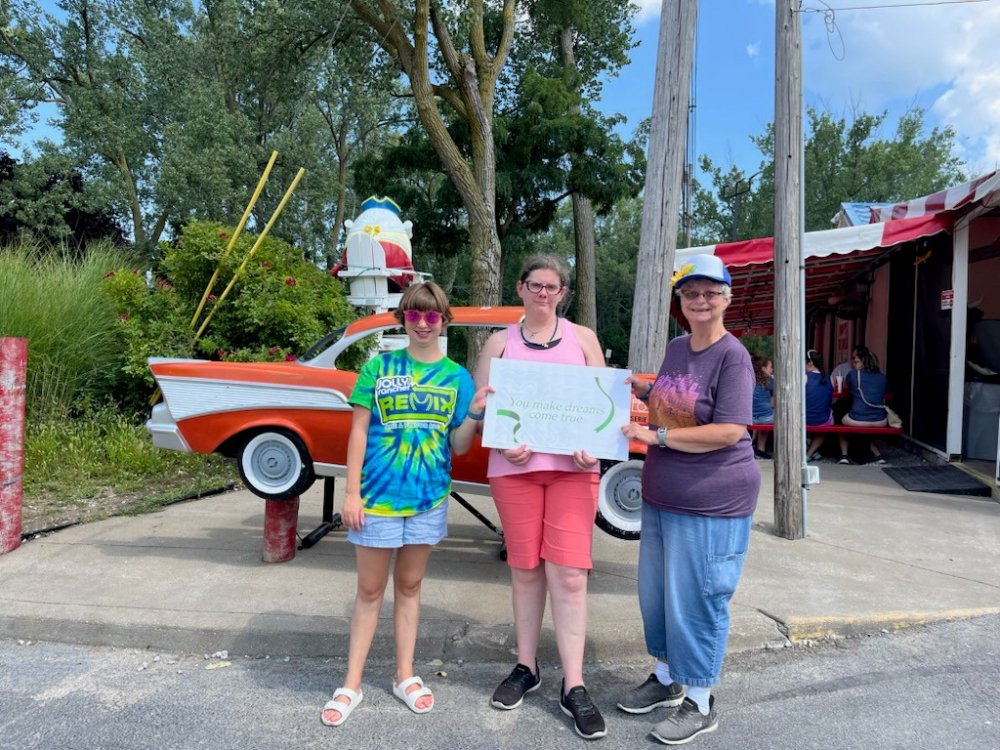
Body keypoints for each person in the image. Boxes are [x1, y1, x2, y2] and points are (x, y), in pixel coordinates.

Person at [320, 281, 488, 727]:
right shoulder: (379, 367)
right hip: (376, 499)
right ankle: (351, 683)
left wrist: (474, 414)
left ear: (444, 321)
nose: (423, 323)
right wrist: (351, 493)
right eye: (414, 314)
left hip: (428, 499)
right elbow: (358, 432)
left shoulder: (457, 377)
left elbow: (459, 445)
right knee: (370, 590)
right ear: (403, 319)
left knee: (410, 587)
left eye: (432, 315)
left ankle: (404, 675)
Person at [619, 254, 760, 746]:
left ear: (726, 298)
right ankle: (666, 679)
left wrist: (654, 436)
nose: (701, 300)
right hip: (663, 494)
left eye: (710, 292)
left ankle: (700, 702)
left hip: (711, 500)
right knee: (658, 597)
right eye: (691, 293)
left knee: (698, 599)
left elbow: (728, 430)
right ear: (680, 300)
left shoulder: (733, 356)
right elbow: (675, 401)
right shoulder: (678, 348)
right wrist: (644, 389)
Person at [474, 254, 609, 740]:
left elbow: (604, 407)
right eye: (535, 285)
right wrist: (499, 438)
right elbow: (482, 410)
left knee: (569, 576)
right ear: (520, 288)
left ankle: (574, 684)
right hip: (515, 471)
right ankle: (526, 666)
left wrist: (594, 446)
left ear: (563, 293)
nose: (543, 293)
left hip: (573, 472)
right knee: (525, 570)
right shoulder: (498, 343)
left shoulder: (584, 339)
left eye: (552, 287)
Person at [837, 344, 888, 465]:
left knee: (839, 417)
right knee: (864, 422)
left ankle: (844, 455)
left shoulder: (853, 374)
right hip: (881, 420)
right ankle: (877, 454)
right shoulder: (883, 377)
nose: (853, 364)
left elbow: (849, 387)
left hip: (858, 419)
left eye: (856, 361)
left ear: (863, 362)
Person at [805, 349, 834, 461]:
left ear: (810, 363)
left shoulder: (804, 377)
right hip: (823, 419)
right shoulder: (830, 378)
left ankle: (807, 448)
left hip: (805, 419)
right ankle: (810, 453)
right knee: (828, 421)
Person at [750, 354, 774, 458]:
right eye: (770, 367)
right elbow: (774, 402)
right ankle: (761, 449)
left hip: (750, 417)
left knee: (761, 414)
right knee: (771, 414)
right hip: (766, 418)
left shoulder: (749, 379)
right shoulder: (770, 381)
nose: (772, 369)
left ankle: (753, 446)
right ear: (763, 368)